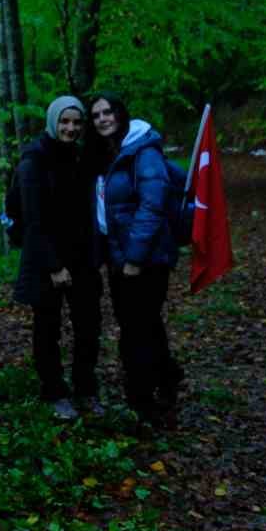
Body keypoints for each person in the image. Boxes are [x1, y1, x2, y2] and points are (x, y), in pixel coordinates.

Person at [89, 92, 185, 432]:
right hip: (120, 258)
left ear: (121, 114)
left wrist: (134, 258)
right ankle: (167, 376)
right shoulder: (109, 153)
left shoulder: (143, 152)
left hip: (146, 259)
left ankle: (142, 401)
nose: (102, 118)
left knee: (136, 328)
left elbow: (152, 205)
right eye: (97, 114)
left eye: (108, 112)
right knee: (143, 323)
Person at [12, 95, 101, 420]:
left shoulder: (79, 156)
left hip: (82, 260)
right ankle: (54, 392)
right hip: (47, 262)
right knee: (47, 330)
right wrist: (54, 266)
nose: (71, 128)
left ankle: (86, 389)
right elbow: (34, 219)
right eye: (65, 121)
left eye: (77, 122)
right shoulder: (34, 161)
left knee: (88, 328)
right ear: (53, 122)